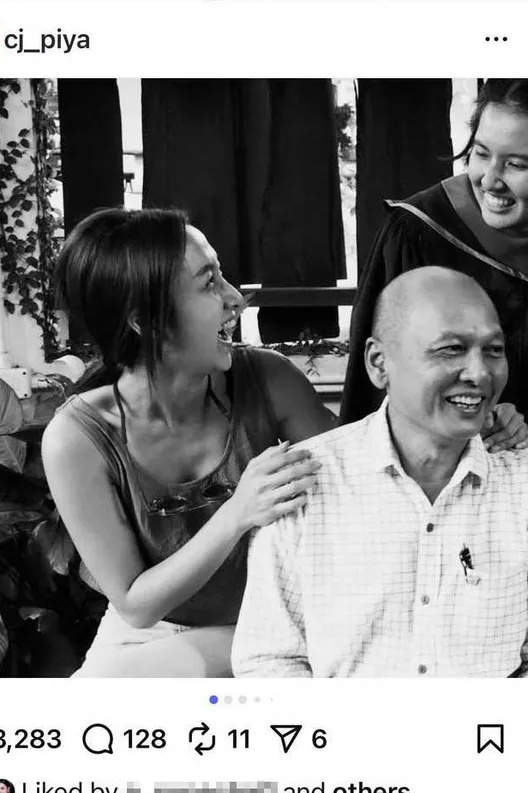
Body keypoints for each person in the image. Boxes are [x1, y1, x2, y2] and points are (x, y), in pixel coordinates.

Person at [43, 208, 335, 678]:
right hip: (151, 633)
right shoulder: (76, 439)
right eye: (209, 283)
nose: (236, 299)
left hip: (274, 624)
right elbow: (137, 605)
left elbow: (360, 482)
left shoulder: (270, 380)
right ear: (146, 320)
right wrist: (238, 512)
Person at [232, 267, 528, 678]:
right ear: (378, 363)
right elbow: (269, 660)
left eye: (494, 350)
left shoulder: (519, 485)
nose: (479, 373)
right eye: (451, 350)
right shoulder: (304, 485)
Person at [341, 79, 528, 428]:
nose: (489, 180)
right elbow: (375, 399)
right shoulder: (418, 234)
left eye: (517, 164)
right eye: (481, 153)